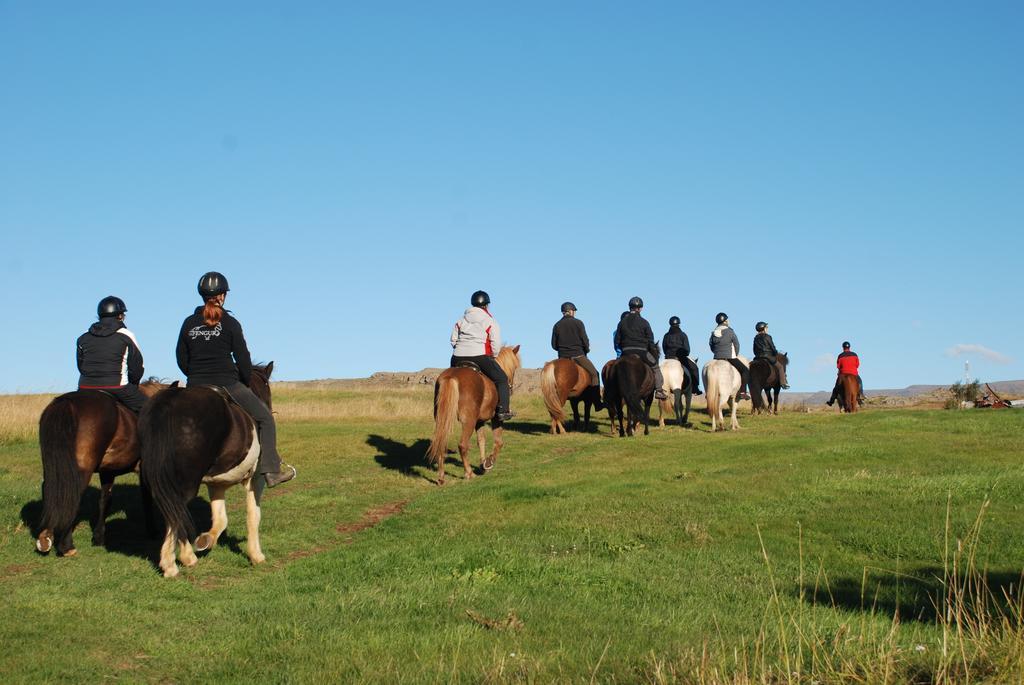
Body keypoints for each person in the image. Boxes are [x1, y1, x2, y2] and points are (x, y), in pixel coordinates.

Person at [176, 272, 296, 488]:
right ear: (222, 296)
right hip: (226, 383)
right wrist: (241, 379)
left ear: (202, 295)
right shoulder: (230, 323)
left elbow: (181, 358)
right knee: (266, 419)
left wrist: (194, 376)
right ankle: (271, 471)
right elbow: (243, 359)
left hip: (195, 385)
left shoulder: (188, 323)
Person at [450, 290, 514, 421]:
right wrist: (494, 356)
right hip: (479, 356)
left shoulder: (460, 320)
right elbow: (495, 343)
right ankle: (503, 410)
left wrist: (461, 349)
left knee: (449, 379)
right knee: (502, 379)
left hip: (457, 357)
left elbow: (453, 340)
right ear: (486, 305)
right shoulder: (490, 321)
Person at [76, 296, 147, 413]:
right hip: (117, 387)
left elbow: (81, 366)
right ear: (119, 316)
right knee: (152, 411)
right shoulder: (126, 335)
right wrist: (133, 386)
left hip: (85, 387)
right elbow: (137, 367)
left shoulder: (83, 337)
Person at [614, 297, 668, 400]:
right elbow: (650, 340)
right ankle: (659, 391)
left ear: (630, 307)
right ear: (640, 308)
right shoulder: (644, 322)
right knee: (655, 367)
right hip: (642, 351)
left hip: (626, 352)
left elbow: (617, 341)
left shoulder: (621, 323)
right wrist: (651, 350)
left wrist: (624, 349)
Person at [551, 302, 600, 392]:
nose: (574, 312)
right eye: (574, 311)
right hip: (578, 356)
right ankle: (596, 399)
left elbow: (553, 345)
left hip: (562, 357)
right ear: (570, 311)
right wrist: (586, 350)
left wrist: (563, 351)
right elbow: (585, 340)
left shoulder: (557, 325)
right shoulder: (578, 323)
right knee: (595, 374)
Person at [709, 312, 750, 401]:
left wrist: (717, 353)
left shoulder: (713, 333)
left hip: (716, 358)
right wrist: (735, 354)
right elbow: (737, 344)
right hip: (730, 358)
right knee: (745, 370)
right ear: (725, 321)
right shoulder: (730, 331)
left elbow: (711, 346)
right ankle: (743, 392)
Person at [662, 316, 702, 395]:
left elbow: (664, 348)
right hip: (680, 358)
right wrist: (684, 354)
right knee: (694, 368)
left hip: (668, 357)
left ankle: (658, 389)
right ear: (679, 324)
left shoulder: (666, 335)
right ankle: (695, 387)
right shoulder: (683, 335)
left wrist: (668, 355)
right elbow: (687, 349)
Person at [827, 341, 866, 406]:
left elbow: (838, 366)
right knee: (860, 382)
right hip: (854, 373)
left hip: (843, 374)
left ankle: (832, 400)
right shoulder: (854, 355)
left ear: (843, 347)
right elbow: (857, 365)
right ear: (849, 347)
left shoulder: (840, 356)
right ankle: (861, 395)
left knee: (836, 387)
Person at [753, 321, 789, 389]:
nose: (767, 329)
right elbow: (772, 347)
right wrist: (775, 353)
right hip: (768, 357)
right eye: (766, 327)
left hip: (757, 358)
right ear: (764, 329)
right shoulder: (768, 336)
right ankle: (783, 383)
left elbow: (754, 350)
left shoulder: (755, 338)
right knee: (780, 367)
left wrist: (758, 355)